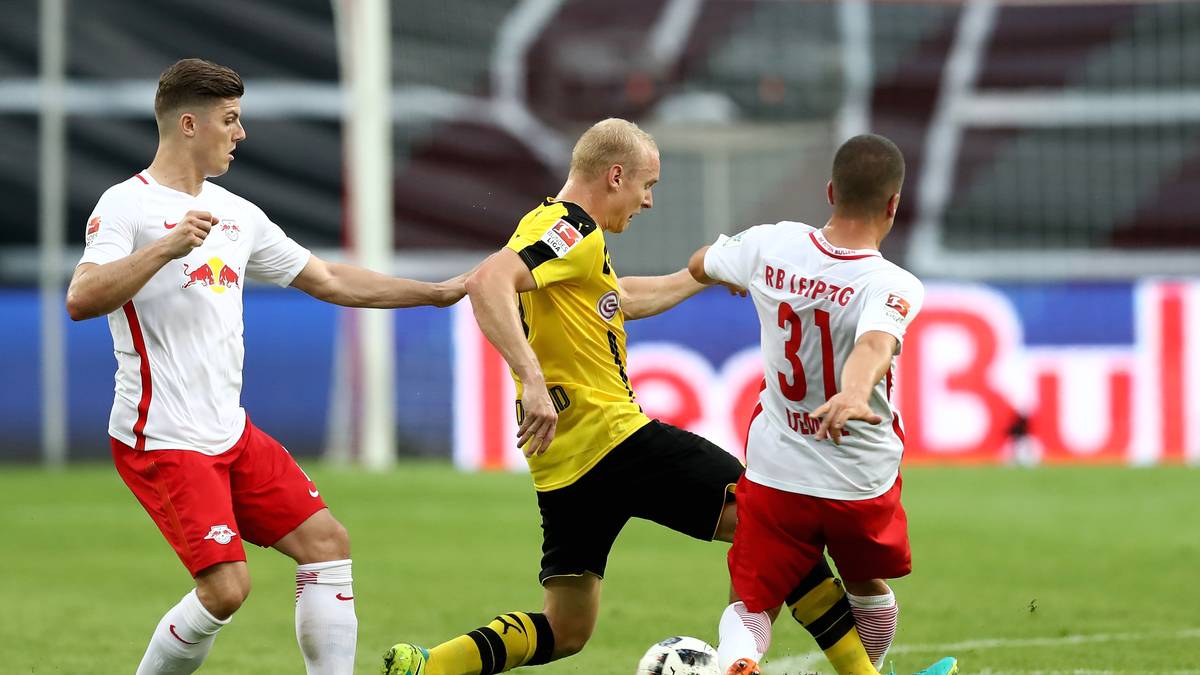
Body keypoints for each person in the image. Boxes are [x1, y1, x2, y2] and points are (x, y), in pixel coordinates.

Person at [66, 58, 468, 675]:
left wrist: (436, 293)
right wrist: (167, 246)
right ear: (190, 124)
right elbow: (82, 298)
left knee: (327, 545)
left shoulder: (237, 213)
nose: (241, 133)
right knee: (226, 591)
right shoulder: (127, 205)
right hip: (164, 437)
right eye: (230, 120)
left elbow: (329, 278)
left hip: (230, 431)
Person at [381, 118, 756, 675]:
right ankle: (854, 664)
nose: (649, 201)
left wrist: (700, 273)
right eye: (647, 185)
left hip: (565, 461)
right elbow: (489, 281)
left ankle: (428, 668)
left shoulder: (555, 230)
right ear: (615, 175)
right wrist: (531, 379)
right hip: (613, 439)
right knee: (767, 519)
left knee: (566, 629)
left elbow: (619, 297)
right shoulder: (572, 228)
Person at [688, 134, 957, 675]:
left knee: (751, 602)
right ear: (893, 205)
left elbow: (701, 264)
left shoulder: (772, 244)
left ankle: (737, 660)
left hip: (776, 470)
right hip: (859, 477)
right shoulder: (892, 284)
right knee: (869, 590)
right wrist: (855, 393)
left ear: (830, 191)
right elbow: (876, 344)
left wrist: (736, 276)